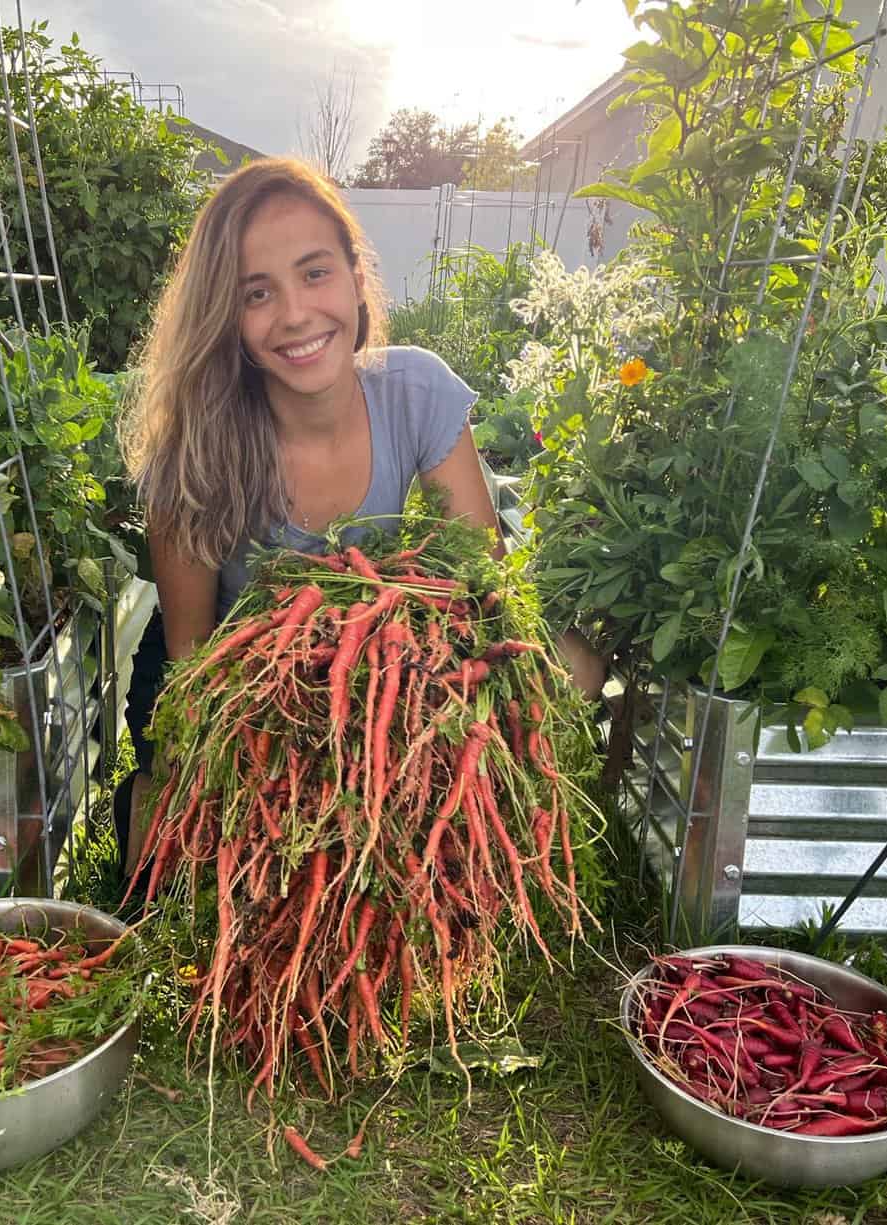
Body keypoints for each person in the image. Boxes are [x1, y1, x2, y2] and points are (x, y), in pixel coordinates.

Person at [115, 157, 603, 875]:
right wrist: (227, 767)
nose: (295, 314)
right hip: (236, 680)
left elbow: (480, 591)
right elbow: (191, 655)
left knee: (570, 670)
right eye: (257, 292)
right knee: (207, 861)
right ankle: (150, 804)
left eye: (315, 273)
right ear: (225, 314)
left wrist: (418, 713)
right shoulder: (199, 441)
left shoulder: (414, 390)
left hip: (369, 663)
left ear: (353, 276)